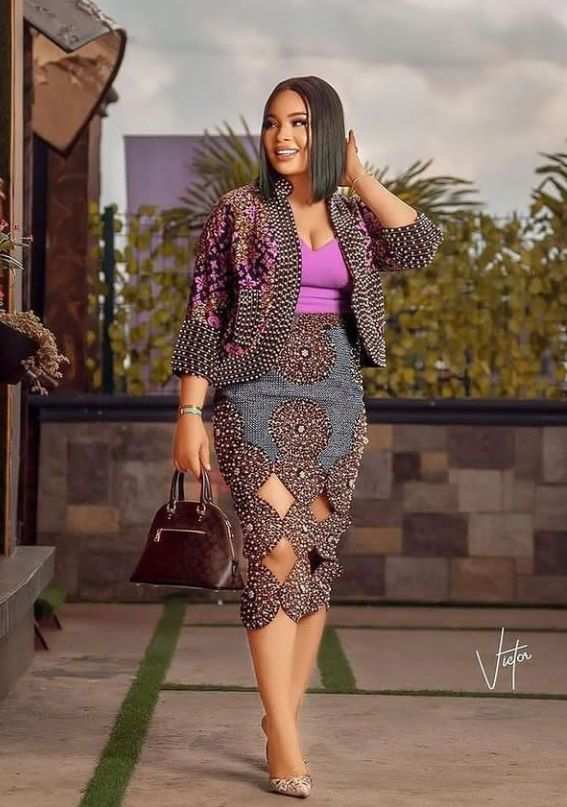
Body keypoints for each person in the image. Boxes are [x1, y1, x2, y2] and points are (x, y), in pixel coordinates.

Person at [172, 75, 444, 798]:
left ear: (325, 131)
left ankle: (280, 719)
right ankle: (287, 743)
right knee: (274, 550)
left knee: (314, 560)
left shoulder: (354, 215)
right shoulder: (239, 212)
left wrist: (357, 175)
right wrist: (191, 411)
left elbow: (419, 243)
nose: (282, 136)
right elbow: (203, 312)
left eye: (297, 123)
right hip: (251, 398)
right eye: (272, 123)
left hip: (337, 403)